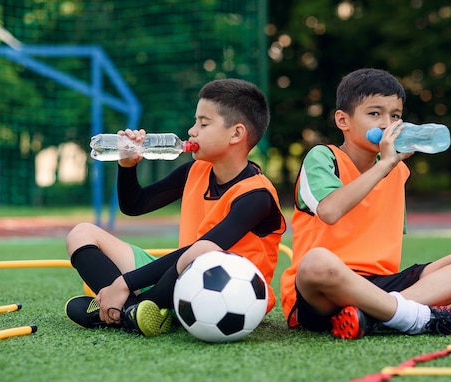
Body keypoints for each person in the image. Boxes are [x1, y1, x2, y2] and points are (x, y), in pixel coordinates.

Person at [280, 68, 451, 340]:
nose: (387, 124)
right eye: (374, 114)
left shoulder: (397, 171)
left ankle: (375, 318)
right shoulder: (323, 157)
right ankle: (415, 317)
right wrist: (384, 165)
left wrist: (387, 166)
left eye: (395, 115)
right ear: (343, 120)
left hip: (381, 286)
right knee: (315, 262)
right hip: (323, 291)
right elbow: (330, 211)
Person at [65, 78, 286, 336]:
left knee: (201, 250)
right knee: (81, 233)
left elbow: (200, 250)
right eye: (195, 122)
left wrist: (123, 283)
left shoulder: (257, 195)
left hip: (229, 295)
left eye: (203, 124)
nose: (192, 131)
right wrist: (127, 167)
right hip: (176, 277)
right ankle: (133, 311)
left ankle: (126, 310)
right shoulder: (196, 170)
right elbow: (135, 205)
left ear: (236, 134)